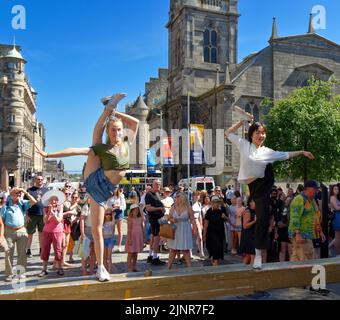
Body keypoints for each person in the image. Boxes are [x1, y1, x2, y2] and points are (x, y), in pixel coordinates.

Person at [35, 93, 139, 282]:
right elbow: (76, 150)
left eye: (118, 130)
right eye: (113, 130)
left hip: (107, 188)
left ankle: (108, 107)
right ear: (109, 132)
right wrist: (48, 155)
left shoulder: (126, 143)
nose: (116, 133)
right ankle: (100, 268)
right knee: (97, 228)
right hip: (95, 183)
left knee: (100, 228)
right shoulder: (102, 148)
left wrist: (117, 114)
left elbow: (136, 124)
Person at [225, 107, 315, 269]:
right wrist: (243, 121)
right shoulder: (244, 145)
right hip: (251, 186)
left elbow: (286, 154)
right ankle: (256, 252)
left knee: (263, 218)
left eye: (263, 133)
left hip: (263, 184)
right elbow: (228, 133)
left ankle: (258, 256)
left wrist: (302, 152)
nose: (261, 135)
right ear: (251, 134)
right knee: (258, 216)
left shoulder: (267, 151)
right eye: (258, 133)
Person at [1, 187, 37, 282]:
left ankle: (20, 273)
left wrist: (25, 192)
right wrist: (2, 235)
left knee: (22, 254)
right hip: (9, 231)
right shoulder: (6, 205)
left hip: (21, 230)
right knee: (8, 254)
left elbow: (34, 201)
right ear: (11, 195)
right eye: (16, 194)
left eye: (19, 194)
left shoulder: (22, 203)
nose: (18, 195)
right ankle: (9, 274)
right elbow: (2, 220)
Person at [288, 180, 320, 261]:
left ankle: (292, 272)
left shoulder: (310, 200)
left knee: (297, 257)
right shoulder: (299, 199)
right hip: (301, 234)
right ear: (308, 189)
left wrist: (320, 231)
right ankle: (306, 273)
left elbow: (314, 215)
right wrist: (297, 233)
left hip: (305, 234)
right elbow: (294, 217)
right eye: (315, 189)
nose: (317, 191)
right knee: (307, 257)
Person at [39, 190, 65, 277]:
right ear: (49, 201)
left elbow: (58, 220)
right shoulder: (45, 208)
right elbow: (45, 221)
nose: (54, 201)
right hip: (47, 231)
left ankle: (59, 268)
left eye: (55, 200)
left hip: (57, 231)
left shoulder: (60, 207)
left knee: (58, 250)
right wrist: (49, 211)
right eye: (52, 200)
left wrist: (53, 213)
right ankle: (44, 269)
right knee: (45, 250)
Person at [167, 193, 196, 269]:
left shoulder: (188, 208)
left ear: (183, 198)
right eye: (176, 197)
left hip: (185, 229)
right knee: (173, 249)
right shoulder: (173, 207)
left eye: (178, 197)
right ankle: (168, 267)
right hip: (175, 229)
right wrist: (172, 219)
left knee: (185, 249)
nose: (176, 198)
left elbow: (192, 219)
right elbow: (169, 217)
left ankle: (189, 267)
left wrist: (195, 228)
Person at [26, 175, 49, 258]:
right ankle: (28, 250)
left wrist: (47, 214)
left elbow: (48, 203)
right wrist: (26, 215)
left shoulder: (46, 190)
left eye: (41, 179)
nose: (40, 181)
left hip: (42, 215)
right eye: (38, 179)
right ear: (35, 180)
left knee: (41, 233)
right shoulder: (29, 190)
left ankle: (41, 249)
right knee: (30, 233)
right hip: (32, 214)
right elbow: (26, 204)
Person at [145, 180, 166, 265]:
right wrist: (159, 209)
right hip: (154, 219)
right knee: (156, 238)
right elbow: (148, 208)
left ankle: (151, 256)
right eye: (156, 184)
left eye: (159, 184)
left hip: (158, 218)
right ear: (153, 185)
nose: (158, 185)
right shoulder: (149, 194)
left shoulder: (157, 194)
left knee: (154, 238)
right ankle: (155, 257)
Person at [203, 196, 228, 266]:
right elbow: (205, 225)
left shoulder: (222, 210)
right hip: (211, 233)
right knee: (216, 247)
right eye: (214, 202)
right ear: (211, 203)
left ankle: (215, 262)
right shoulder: (209, 212)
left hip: (220, 233)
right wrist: (204, 235)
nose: (216, 204)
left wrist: (225, 217)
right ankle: (215, 263)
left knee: (219, 248)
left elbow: (228, 220)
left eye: (217, 202)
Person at [125, 204, 144, 272]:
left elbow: (142, 227)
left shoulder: (140, 218)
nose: (136, 211)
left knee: (135, 253)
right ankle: (129, 267)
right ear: (131, 211)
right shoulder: (130, 219)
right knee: (130, 253)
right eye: (134, 210)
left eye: (137, 210)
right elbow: (129, 230)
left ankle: (134, 266)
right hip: (132, 237)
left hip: (138, 237)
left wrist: (143, 237)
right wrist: (129, 239)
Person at [240, 198, 256, 265]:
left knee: (249, 256)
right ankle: (250, 272)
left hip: (252, 235)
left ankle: (244, 272)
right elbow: (245, 226)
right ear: (250, 202)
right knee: (252, 255)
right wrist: (254, 221)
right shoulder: (247, 211)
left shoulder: (254, 211)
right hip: (248, 236)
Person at [191, 191, 205, 259]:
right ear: (193, 196)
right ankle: (190, 253)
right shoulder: (190, 203)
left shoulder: (199, 204)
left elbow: (200, 215)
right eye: (195, 195)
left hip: (197, 221)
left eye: (198, 195)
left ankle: (201, 253)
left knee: (200, 237)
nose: (197, 197)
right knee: (190, 238)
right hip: (191, 221)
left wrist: (201, 224)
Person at [102, 209, 115, 273]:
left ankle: (109, 271)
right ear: (104, 215)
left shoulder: (111, 222)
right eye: (107, 214)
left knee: (108, 257)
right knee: (104, 256)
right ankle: (105, 270)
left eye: (110, 214)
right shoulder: (102, 222)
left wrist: (113, 216)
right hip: (104, 240)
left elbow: (113, 223)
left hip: (110, 240)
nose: (108, 216)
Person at [329, 184, 340, 256]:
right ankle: (338, 254)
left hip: (338, 216)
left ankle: (329, 247)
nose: (337, 190)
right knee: (337, 237)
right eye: (335, 189)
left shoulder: (336, 198)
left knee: (338, 237)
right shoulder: (332, 197)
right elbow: (337, 208)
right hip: (336, 217)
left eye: (337, 189)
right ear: (332, 190)